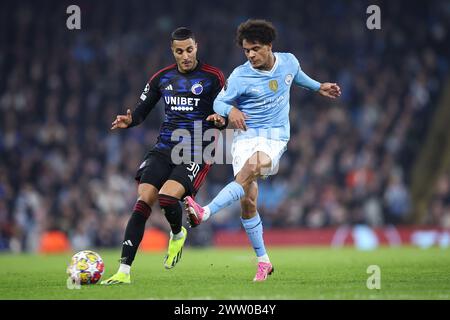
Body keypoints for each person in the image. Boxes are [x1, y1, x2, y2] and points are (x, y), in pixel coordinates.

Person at [184, 19, 341, 281]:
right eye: (246, 50)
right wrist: (230, 109)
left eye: (256, 49)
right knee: (248, 200)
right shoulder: (240, 75)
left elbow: (296, 77)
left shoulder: (289, 61)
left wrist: (318, 87)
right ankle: (264, 261)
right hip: (245, 138)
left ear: (269, 46)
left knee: (252, 168)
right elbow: (218, 102)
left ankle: (205, 211)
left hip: (275, 137)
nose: (251, 55)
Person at [101, 27, 226, 285]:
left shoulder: (213, 77)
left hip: (197, 147)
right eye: (180, 51)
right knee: (144, 199)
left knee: (167, 198)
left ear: (196, 47)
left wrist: (220, 120)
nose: (185, 56)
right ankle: (123, 271)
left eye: (189, 50)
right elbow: (141, 111)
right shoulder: (162, 78)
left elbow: (226, 110)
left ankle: (177, 233)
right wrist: (130, 119)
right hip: (164, 147)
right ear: (173, 52)